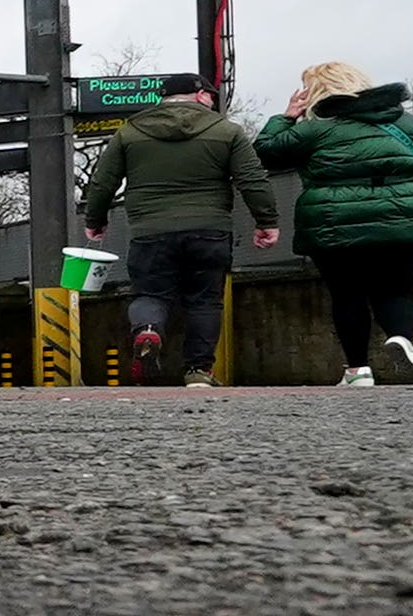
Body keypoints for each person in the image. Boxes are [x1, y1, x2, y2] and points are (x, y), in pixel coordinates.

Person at [257, 61, 413, 384]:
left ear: (316, 94)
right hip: (406, 217)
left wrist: (287, 116)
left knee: (347, 293)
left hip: (334, 219)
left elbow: (264, 153)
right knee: (397, 291)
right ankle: (401, 338)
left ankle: (358, 370)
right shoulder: (405, 123)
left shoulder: (315, 129)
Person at [76, 75, 273, 386]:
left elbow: (103, 182)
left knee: (150, 294)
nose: (212, 100)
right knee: (205, 300)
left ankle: (148, 331)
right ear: (197, 95)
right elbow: (252, 179)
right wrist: (266, 221)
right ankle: (198, 372)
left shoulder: (129, 132)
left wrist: (94, 220)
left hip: (150, 231)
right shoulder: (227, 131)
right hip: (210, 230)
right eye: (209, 94)